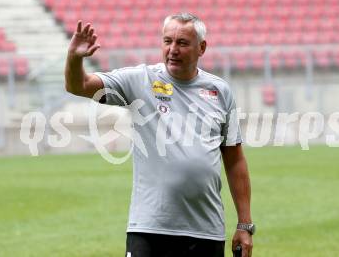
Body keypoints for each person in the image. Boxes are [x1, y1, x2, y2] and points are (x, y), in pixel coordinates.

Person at [65, 13, 254, 257]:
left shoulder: (220, 91)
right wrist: (74, 58)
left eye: (182, 43)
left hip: (206, 230)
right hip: (150, 230)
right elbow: (78, 85)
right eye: (167, 41)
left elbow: (235, 158)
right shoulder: (140, 80)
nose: (173, 49)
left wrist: (244, 224)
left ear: (202, 48)